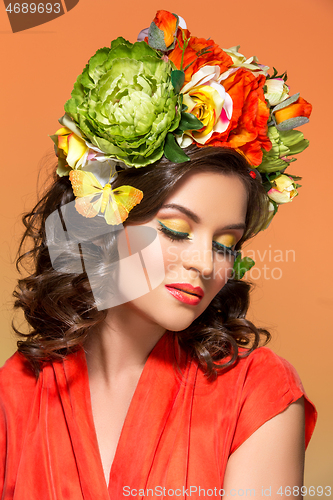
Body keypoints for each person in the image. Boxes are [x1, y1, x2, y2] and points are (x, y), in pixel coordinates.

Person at [0, 10, 316, 499]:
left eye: (225, 243)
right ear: (102, 219)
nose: (205, 263)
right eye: (175, 229)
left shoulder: (259, 394)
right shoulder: (15, 393)